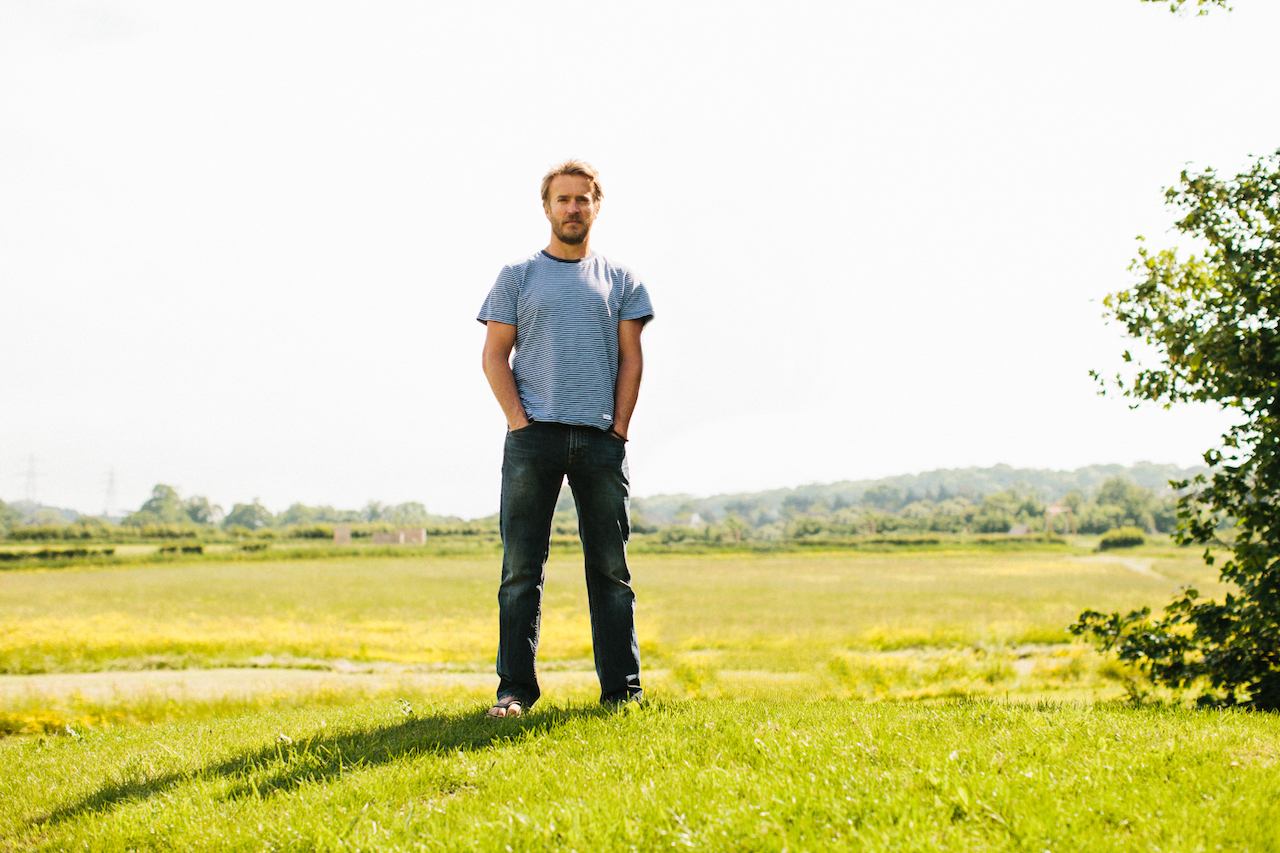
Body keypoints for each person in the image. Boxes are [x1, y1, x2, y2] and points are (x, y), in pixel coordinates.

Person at [477, 159, 654, 718]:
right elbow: (493, 356)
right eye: (563, 200)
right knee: (521, 571)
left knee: (610, 572)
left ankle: (621, 693)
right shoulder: (518, 276)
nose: (573, 208)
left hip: (600, 440)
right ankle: (515, 692)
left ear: (596, 206)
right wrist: (518, 423)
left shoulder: (621, 280)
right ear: (547, 207)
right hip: (535, 440)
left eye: (583, 199)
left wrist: (619, 430)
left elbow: (631, 358)